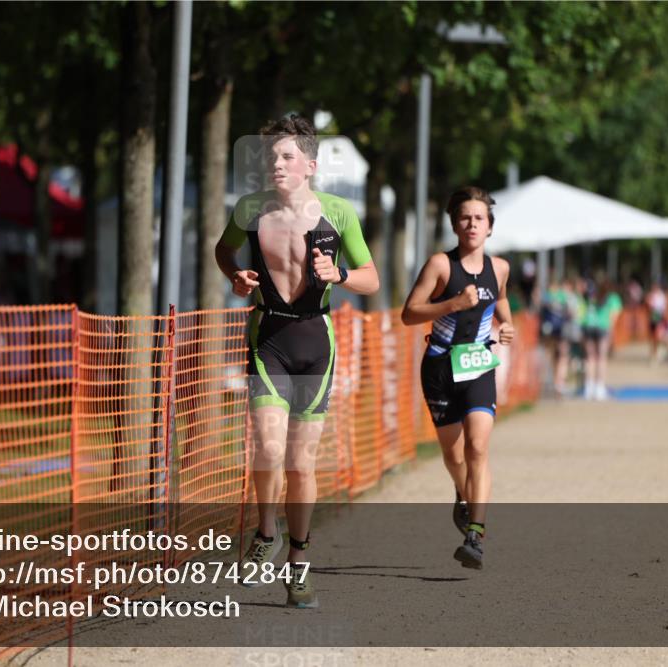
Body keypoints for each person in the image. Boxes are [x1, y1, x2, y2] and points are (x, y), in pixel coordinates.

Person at [214, 114, 380, 607]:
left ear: (309, 163)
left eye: (286, 156)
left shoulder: (339, 213)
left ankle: (299, 563)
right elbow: (223, 250)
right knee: (266, 448)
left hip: (315, 342)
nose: (276, 164)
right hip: (269, 336)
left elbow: (371, 278)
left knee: (301, 463)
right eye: (270, 157)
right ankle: (266, 533)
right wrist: (236, 277)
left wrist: (341, 274)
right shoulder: (249, 208)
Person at [401, 186, 514, 569]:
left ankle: (476, 535)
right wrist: (452, 304)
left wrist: (508, 323)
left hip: (478, 363)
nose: (472, 224)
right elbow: (409, 313)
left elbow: (499, 298)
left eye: (479, 218)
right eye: (465, 217)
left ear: (490, 227)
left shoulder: (499, 268)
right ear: (454, 224)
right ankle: (462, 494)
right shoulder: (440, 265)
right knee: (453, 455)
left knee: (477, 448)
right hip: (439, 366)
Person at [581, 276, 623, 400]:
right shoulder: (613, 298)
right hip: (603, 328)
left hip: (588, 326)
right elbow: (613, 317)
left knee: (590, 358)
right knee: (602, 358)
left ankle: (589, 387)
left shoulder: (590, 296)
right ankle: (599, 388)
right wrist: (611, 332)